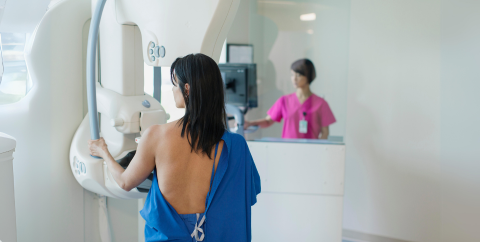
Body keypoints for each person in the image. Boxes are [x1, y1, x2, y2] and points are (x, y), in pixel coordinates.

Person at [88, 53, 261, 242]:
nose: (172, 89)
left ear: (186, 88)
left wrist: (103, 152)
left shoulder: (155, 136)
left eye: (174, 83)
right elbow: (244, 198)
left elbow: (124, 182)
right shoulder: (236, 145)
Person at [244, 58, 336, 139]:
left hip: (311, 152)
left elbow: (325, 133)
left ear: (309, 76)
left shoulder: (321, 103)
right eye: (292, 75)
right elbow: (268, 121)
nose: (294, 79)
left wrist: (318, 150)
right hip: (288, 151)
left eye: (298, 75)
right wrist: (249, 123)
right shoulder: (284, 100)